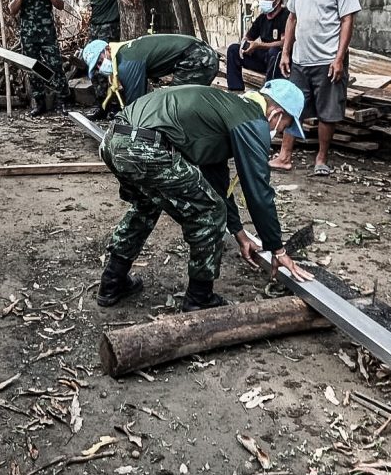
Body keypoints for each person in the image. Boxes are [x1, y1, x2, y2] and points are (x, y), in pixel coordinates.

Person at [97, 80, 314, 310]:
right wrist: (277, 249)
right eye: (284, 127)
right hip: (145, 147)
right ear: (276, 114)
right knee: (210, 213)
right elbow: (259, 192)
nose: (279, 133)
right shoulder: (252, 120)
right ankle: (199, 298)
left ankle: (112, 282)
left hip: (113, 139)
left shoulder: (225, 108)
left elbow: (217, 183)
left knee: (147, 205)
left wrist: (239, 233)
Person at [271, 0, 361, 176]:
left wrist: (339, 58)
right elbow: (292, 18)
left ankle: (321, 158)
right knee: (292, 106)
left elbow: (347, 19)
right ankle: (284, 156)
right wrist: (286, 52)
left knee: (327, 112)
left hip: (327, 59)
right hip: (301, 58)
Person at [82, 33, 218, 116]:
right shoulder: (124, 51)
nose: (100, 68)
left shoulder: (127, 62)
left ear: (107, 50)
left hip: (197, 57)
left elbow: (136, 105)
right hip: (199, 54)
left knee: (174, 105)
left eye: (100, 62)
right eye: (97, 67)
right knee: (181, 102)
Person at [9, 0, 70, 117]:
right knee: (33, 68)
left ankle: (62, 101)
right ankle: (39, 102)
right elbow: (12, 10)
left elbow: (60, 5)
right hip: (28, 36)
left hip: (47, 34)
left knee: (55, 66)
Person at [225, 0, 290, 91]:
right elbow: (248, 36)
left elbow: (284, 42)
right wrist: (245, 45)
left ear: (277, 0)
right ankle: (236, 89)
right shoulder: (262, 18)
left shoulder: (285, 16)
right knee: (233, 50)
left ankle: (269, 91)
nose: (263, 1)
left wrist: (259, 45)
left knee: (275, 52)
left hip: (279, 61)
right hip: (262, 58)